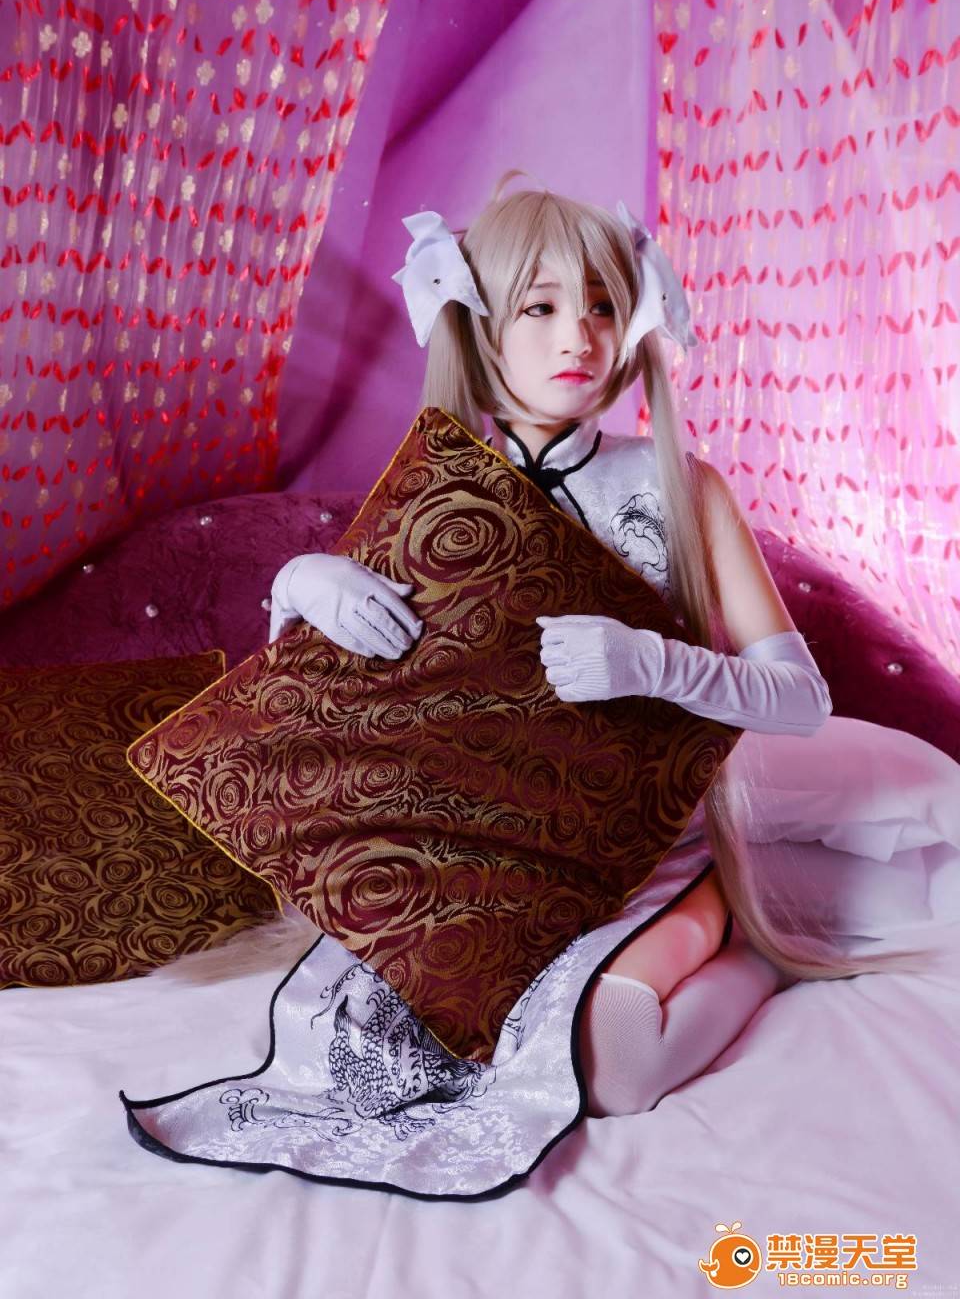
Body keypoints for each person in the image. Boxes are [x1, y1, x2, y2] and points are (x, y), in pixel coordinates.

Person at [122, 172, 949, 1198]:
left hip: (644, 855)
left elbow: (801, 698)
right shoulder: (439, 487)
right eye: (541, 308)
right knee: (360, 1045)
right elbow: (344, 706)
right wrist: (300, 585)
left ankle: (757, 954)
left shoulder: (679, 486)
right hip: (481, 859)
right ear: (480, 325)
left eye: (602, 306)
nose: (579, 337)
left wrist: (653, 662)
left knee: (616, 1066)